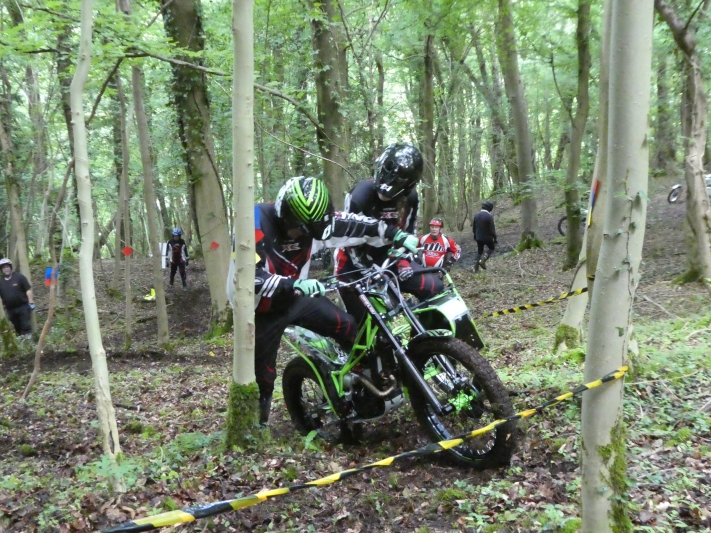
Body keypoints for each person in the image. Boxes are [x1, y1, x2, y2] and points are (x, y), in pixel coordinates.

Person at [233, 176, 418, 426]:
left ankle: (358, 384)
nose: (304, 238)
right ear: (286, 218)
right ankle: (256, 428)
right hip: (259, 310)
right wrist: (292, 283)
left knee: (347, 326)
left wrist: (397, 235)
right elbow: (246, 277)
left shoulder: (318, 222)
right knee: (263, 377)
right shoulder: (254, 224)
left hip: (296, 299)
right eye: (301, 231)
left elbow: (358, 225)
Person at [335, 142, 443, 323]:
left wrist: (403, 261)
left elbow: (409, 233)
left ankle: (423, 338)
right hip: (353, 265)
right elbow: (350, 243)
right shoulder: (359, 195)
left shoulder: (411, 198)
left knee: (434, 288)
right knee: (363, 324)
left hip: (390, 258)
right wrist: (373, 274)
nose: (385, 192)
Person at [0, 258, 35, 337]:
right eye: (4, 267)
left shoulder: (19, 277)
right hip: (10, 309)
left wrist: (31, 302)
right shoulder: (1, 281)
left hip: (23, 306)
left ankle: (29, 341)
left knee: (25, 325)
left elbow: (28, 290)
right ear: (1, 270)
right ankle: (20, 340)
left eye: (7, 267)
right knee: (17, 327)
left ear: (10, 267)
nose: (6, 269)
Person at [472, 200, 497, 272]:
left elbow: (474, 228)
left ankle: (476, 268)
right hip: (487, 237)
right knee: (491, 248)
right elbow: (492, 229)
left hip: (478, 237)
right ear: (489, 208)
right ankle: (483, 260)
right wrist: (495, 238)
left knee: (479, 251)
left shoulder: (476, 215)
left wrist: (475, 236)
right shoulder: (489, 216)